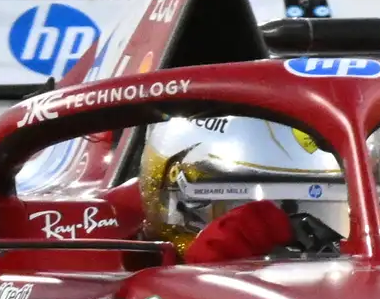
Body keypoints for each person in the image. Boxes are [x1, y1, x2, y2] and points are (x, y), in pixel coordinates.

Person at [136, 111, 352, 262]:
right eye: (243, 206)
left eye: (325, 208)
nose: (302, 251)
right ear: (179, 204)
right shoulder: (118, 264)